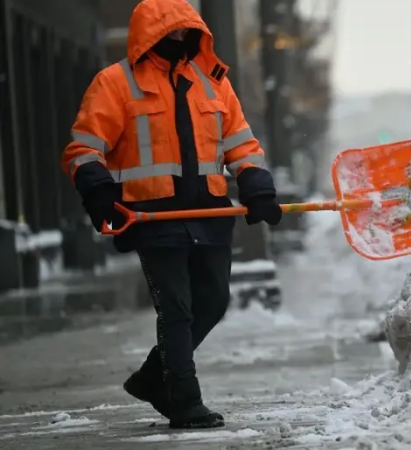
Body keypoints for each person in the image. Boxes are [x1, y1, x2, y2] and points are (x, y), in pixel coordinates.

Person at [60, 0, 283, 429]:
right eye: (172, 33)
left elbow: (242, 146)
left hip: (208, 214)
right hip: (153, 218)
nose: (180, 40)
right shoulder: (115, 83)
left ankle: (151, 378)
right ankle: (183, 399)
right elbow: (83, 149)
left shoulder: (214, 83)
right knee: (177, 309)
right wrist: (100, 192)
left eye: (187, 32)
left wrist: (256, 187)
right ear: (149, 35)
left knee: (213, 302)